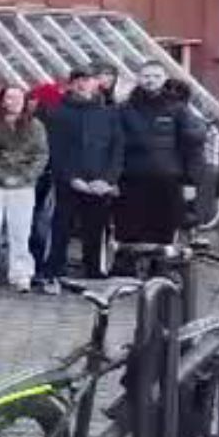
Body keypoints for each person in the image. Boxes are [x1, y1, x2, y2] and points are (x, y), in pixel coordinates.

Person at [38, 67, 125, 291]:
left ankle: (94, 271)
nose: (82, 84)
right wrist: (71, 178)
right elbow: (55, 149)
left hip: (99, 183)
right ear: (71, 84)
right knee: (60, 228)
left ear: (96, 83)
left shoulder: (109, 113)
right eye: (78, 80)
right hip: (68, 182)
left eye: (87, 80)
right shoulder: (57, 112)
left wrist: (108, 179)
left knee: (95, 230)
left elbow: (117, 149)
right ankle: (53, 270)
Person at [115, 61, 205, 252]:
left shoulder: (178, 109)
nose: (151, 81)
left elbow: (192, 146)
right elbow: (114, 145)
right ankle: (128, 273)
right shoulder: (124, 109)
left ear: (164, 79)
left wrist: (191, 181)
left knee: (164, 232)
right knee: (129, 232)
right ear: (138, 79)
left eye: (156, 76)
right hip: (131, 179)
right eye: (146, 76)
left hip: (167, 180)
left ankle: (161, 272)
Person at [0, 84, 50, 291]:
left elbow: (41, 155)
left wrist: (24, 177)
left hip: (23, 186)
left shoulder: (35, 126)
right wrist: (1, 176)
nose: (13, 102)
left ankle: (21, 274)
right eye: (9, 98)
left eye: (18, 98)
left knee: (20, 232)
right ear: (3, 100)